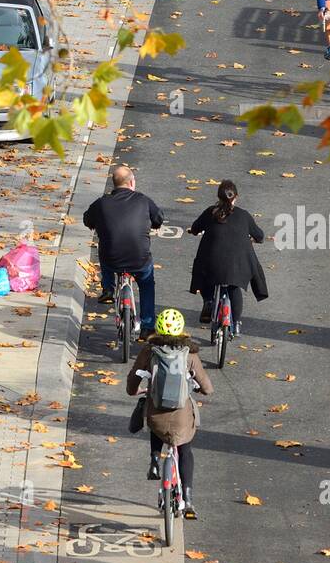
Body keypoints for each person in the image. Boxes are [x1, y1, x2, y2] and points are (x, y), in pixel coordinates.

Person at [126, 308, 213, 517]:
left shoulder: (149, 351)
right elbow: (208, 388)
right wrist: (199, 388)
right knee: (185, 450)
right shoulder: (189, 354)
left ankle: (155, 459)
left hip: (156, 414)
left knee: (155, 421)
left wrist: (135, 390)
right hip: (182, 416)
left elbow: (132, 383)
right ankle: (189, 500)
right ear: (181, 329)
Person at [83, 164, 164, 338]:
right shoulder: (143, 200)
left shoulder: (102, 203)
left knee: (104, 250)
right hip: (139, 259)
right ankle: (148, 326)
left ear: (114, 184)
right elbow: (159, 218)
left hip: (112, 259)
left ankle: (108, 289)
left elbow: (87, 219)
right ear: (132, 182)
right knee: (147, 283)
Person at [189, 180, 265, 334]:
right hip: (238, 265)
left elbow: (195, 228)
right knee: (234, 287)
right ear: (236, 197)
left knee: (204, 275)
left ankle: (209, 301)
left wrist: (196, 231)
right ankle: (236, 324)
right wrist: (253, 238)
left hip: (212, 262)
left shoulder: (210, 212)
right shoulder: (244, 215)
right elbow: (260, 236)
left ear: (218, 196)